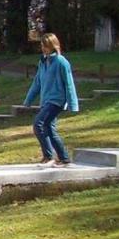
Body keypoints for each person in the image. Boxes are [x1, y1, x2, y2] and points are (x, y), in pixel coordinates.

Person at [24, 32, 80, 166]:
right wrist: (29, 99)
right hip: (45, 101)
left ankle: (48, 157)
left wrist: (73, 104)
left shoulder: (61, 62)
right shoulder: (43, 62)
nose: (43, 48)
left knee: (38, 124)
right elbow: (37, 82)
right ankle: (64, 158)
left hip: (56, 101)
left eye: (46, 46)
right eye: (42, 45)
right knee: (49, 128)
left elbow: (69, 83)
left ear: (53, 46)